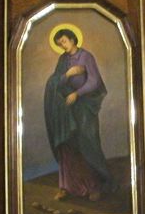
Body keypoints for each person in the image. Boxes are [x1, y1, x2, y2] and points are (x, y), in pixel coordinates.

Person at [43, 28, 114, 203]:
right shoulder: (63, 59)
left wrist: (77, 93)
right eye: (59, 43)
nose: (62, 45)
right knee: (68, 145)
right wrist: (68, 74)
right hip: (68, 109)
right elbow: (56, 82)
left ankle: (93, 186)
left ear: (73, 39)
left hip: (85, 106)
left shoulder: (86, 56)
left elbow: (94, 81)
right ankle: (67, 186)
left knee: (86, 143)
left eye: (64, 41)